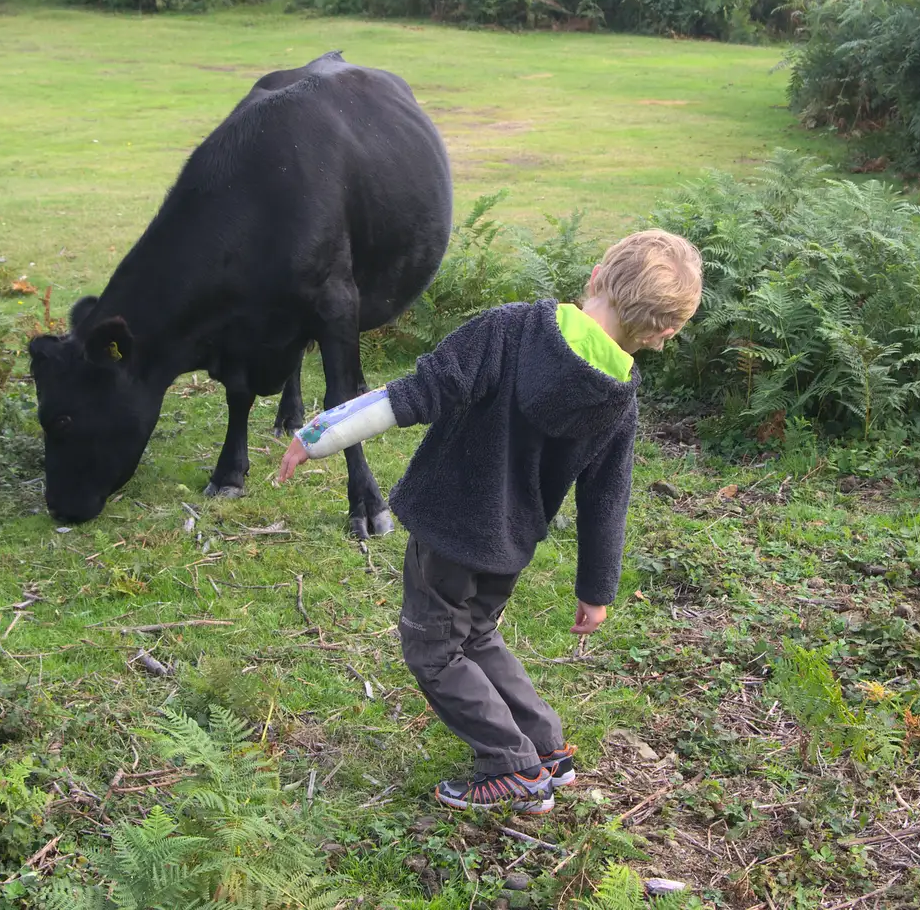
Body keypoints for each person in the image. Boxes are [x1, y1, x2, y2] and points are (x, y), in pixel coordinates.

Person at [277, 230, 703, 813]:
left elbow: (415, 395)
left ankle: (511, 765)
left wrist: (319, 436)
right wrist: (596, 590)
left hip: (450, 528)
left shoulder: (510, 329)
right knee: (476, 634)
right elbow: (607, 499)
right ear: (663, 332)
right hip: (510, 541)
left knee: (434, 651)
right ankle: (547, 749)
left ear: (598, 273)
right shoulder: (618, 400)